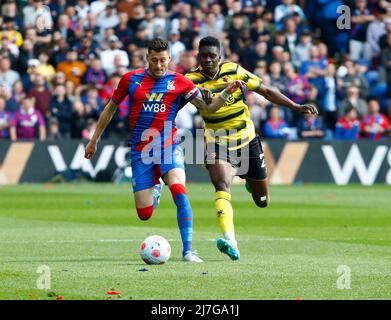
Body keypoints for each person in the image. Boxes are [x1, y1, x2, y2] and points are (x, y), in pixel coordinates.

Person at [84, 38, 245, 263]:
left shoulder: (180, 82)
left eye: (163, 60)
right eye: (154, 60)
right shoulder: (130, 79)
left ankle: (188, 251)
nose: (159, 65)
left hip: (168, 146)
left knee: (180, 192)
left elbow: (208, 107)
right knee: (145, 214)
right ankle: (156, 186)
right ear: (146, 58)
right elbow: (110, 108)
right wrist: (94, 140)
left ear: (169, 59)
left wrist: (227, 92)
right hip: (141, 152)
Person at [185, 36, 318, 261]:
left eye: (212, 56)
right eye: (203, 55)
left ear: (220, 57)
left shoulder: (235, 71)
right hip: (216, 141)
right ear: (198, 55)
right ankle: (231, 241)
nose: (207, 60)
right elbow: (180, 102)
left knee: (262, 200)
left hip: (247, 140)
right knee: (221, 184)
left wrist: (295, 106)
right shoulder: (190, 80)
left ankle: (250, 182)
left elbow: (264, 91)